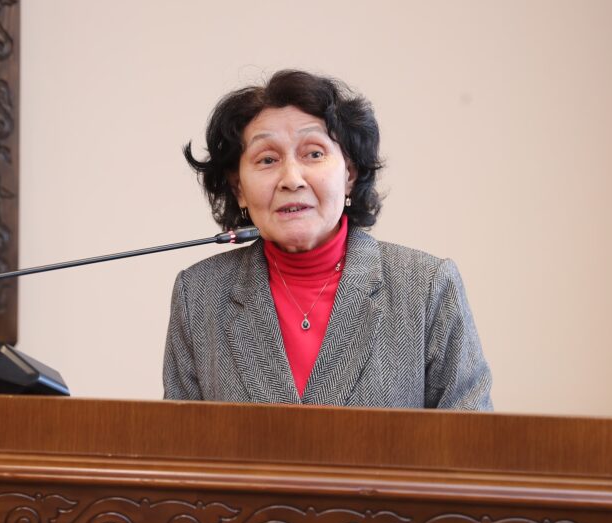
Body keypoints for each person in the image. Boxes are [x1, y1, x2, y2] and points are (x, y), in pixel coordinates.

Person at [163, 70, 492, 409]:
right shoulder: (198, 296)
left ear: (349, 174)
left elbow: (469, 437)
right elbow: (179, 438)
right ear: (239, 189)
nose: (292, 179)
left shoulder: (427, 288)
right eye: (267, 159)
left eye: (314, 154)